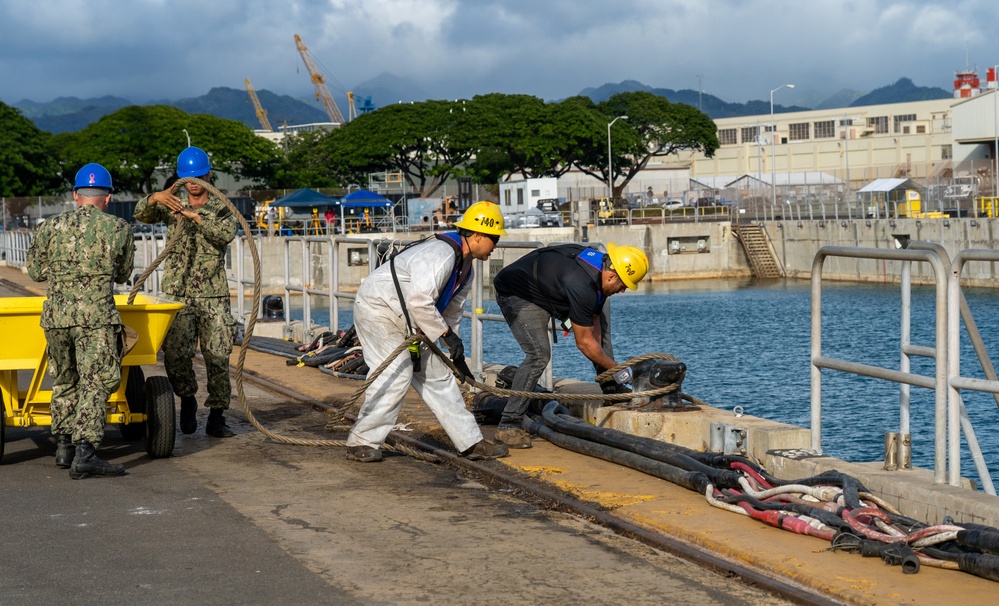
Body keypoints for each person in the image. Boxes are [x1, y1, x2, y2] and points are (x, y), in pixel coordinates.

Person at [345, 201, 510, 463]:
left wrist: (453, 352)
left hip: (412, 321)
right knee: (396, 374)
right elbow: (420, 301)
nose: (496, 245)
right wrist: (445, 336)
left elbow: (450, 313)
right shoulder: (441, 254)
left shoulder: (465, 269)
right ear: (477, 235)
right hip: (379, 311)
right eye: (494, 238)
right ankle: (362, 441)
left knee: (439, 378)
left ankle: (470, 442)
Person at [26, 163, 135, 479]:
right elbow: (125, 273)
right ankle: (85, 452)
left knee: (64, 377)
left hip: (57, 318)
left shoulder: (50, 226)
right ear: (108, 197)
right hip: (95, 319)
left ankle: (63, 447)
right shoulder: (119, 228)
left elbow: (35, 271)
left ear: (75, 195)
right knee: (96, 381)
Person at [491, 242, 649, 448]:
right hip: (517, 291)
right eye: (623, 285)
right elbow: (583, 342)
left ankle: (611, 390)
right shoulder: (582, 285)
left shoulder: (601, 270)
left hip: (547, 287)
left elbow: (594, 331)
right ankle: (508, 425)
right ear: (612, 276)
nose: (624, 290)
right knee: (538, 355)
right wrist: (618, 369)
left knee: (600, 329)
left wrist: (612, 373)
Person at [134, 146, 238, 438]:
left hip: (212, 294)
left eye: (197, 176)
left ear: (207, 174)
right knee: (176, 355)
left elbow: (226, 234)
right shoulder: (171, 203)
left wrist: (195, 217)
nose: (192, 182)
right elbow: (141, 214)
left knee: (217, 356)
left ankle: (217, 415)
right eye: (186, 177)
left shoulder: (220, 205)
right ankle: (187, 398)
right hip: (177, 292)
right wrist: (155, 197)